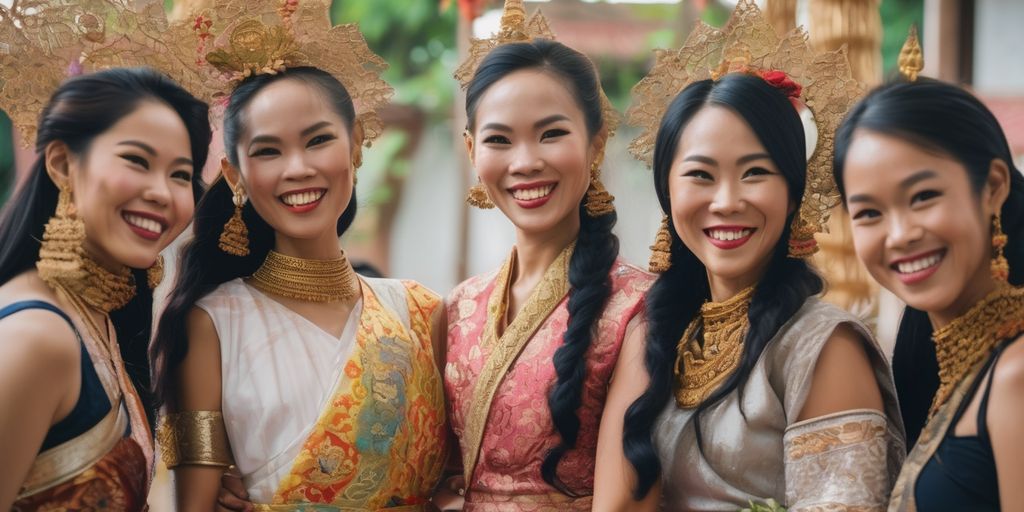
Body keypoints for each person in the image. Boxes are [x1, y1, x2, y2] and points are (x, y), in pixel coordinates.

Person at [149, 1, 447, 509]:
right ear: (235, 175)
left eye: (318, 141)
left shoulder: (421, 313)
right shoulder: (211, 323)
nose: (297, 169)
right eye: (268, 151)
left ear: (355, 143)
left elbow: (453, 485)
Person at [618, 2, 904, 509]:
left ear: (793, 193)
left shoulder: (823, 347)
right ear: (667, 193)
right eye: (701, 175)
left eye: (755, 172)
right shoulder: (665, 332)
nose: (727, 201)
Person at [439, 1, 655, 511]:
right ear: (472, 151)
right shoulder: (456, 308)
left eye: (552, 133)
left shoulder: (638, 307)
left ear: (597, 143)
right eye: (499, 140)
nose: (525, 162)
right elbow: (431, 475)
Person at [0, 64, 210, 507]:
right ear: (61, 164)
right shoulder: (36, 336)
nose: (162, 193)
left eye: (180, 175)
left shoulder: (96, 318)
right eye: (137, 160)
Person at [835, 29, 1024, 511]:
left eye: (923, 197)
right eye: (869, 213)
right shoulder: (955, 370)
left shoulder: (1015, 374)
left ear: (993, 187)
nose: (899, 235)